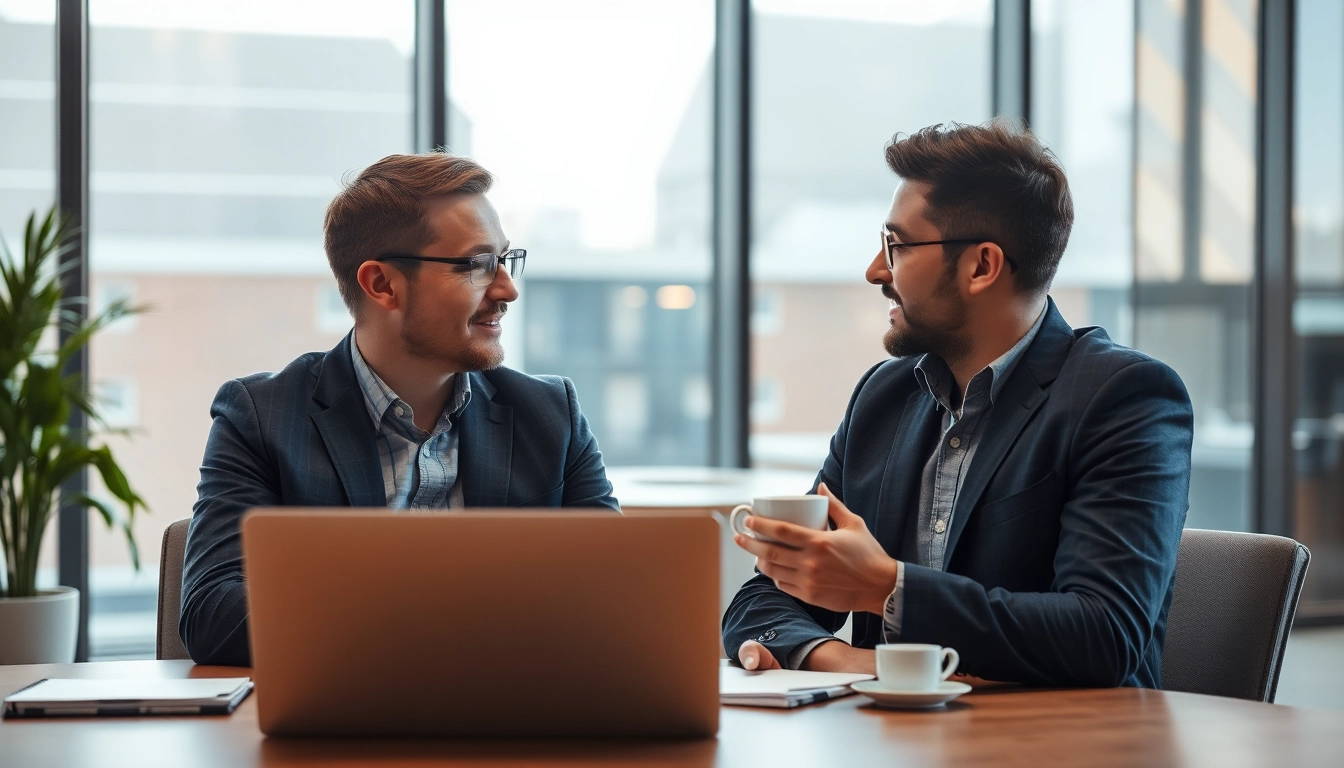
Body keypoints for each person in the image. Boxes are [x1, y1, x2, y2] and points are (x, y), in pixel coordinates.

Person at [722, 119, 1193, 688]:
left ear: (981, 266)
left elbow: (1103, 634)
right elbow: (764, 601)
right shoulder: (884, 397)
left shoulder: (1125, 399)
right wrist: (844, 660)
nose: (875, 271)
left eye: (895, 246)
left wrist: (887, 588)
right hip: (892, 743)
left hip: (1062, 744)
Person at [181, 153, 618, 666]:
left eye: (505, 259)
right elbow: (214, 615)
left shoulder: (550, 414)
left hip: (513, 723)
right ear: (381, 284)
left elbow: (614, 594)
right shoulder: (262, 416)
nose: (506, 288)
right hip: (339, 725)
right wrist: (464, 615)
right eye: (476, 264)